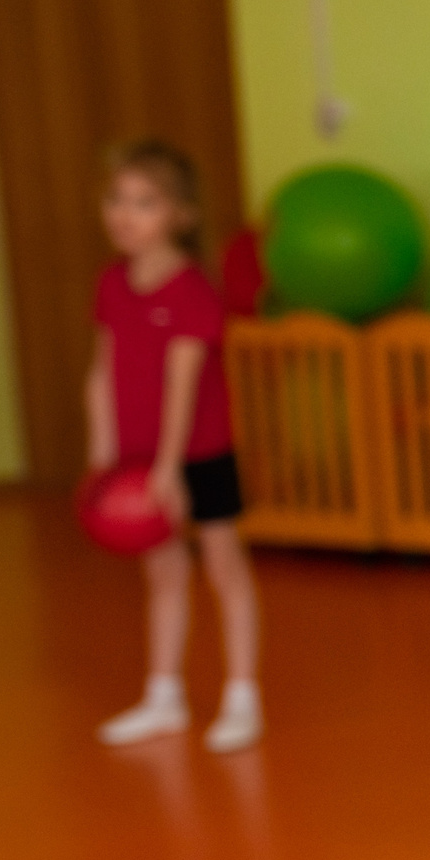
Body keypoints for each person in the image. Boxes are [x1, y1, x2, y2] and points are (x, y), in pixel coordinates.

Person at [87, 141, 263, 755]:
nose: (124, 214)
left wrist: (170, 470)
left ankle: (242, 697)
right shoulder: (113, 282)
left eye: (144, 203)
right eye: (116, 200)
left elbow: (182, 385)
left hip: (198, 454)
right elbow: (103, 371)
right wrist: (105, 459)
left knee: (223, 568)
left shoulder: (192, 290)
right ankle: (164, 696)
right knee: (163, 576)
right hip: (138, 462)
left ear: (180, 216)